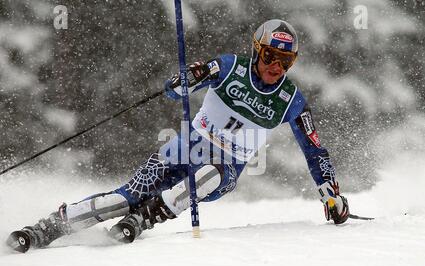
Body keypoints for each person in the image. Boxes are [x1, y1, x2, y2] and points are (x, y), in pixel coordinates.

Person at [7, 19, 349, 253]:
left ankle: (143, 220)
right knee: (121, 199)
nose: (276, 67)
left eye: (285, 61)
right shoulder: (230, 67)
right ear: (257, 49)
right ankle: (44, 229)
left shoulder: (291, 100)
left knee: (208, 175)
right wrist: (185, 78)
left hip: (225, 169)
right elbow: (175, 89)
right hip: (182, 150)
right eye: (271, 56)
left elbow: (315, 151)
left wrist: (331, 196)